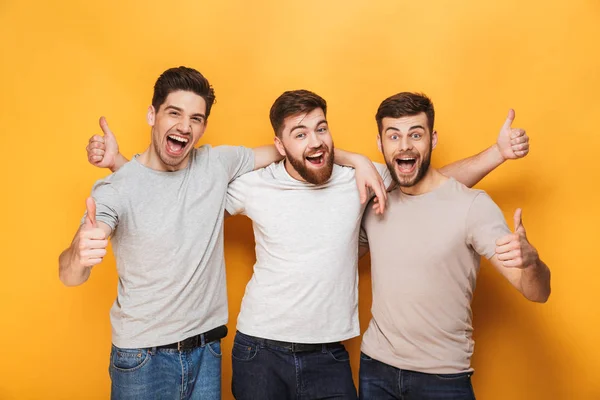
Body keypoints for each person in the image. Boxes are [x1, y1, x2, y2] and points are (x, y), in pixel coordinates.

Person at [88, 89, 530, 399]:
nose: (316, 140)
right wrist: (121, 166)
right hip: (259, 350)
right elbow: (177, 195)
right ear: (280, 145)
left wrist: (497, 154)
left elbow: (433, 183)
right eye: (300, 134)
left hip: (329, 355)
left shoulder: (358, 178)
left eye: (321, 129)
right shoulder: (252, 185)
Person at [59, 66, 286, 399]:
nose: (184, 125)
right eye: (174, 113)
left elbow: (287, 150)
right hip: (141, 358)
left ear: (204, 126)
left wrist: (355, 160)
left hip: (207, 351)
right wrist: (78, 254)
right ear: (152, 115)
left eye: (195, 118)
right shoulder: (116, 188)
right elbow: (70, 276)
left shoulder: (216, 164)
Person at [358, 92, 551, 400]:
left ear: (432, 140)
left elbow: (537, 292)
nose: (405, 145)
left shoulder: (472, 206)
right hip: (375, 371)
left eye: (415, 134)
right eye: (393, 135)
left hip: (441, 379)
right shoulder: (376, 204)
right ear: (380, 144)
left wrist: (532, 263)